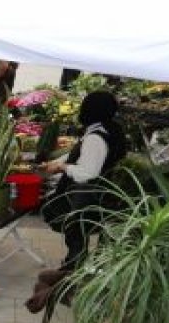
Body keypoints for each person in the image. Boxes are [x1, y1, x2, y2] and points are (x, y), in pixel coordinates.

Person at [39, 91, 128, 271]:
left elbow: (87, 172)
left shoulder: (95, 138)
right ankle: (75, 263)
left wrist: (62, 168)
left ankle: (74, 267)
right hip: (99, 193)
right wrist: (58, 162)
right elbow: (85, 157)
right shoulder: (110, 129)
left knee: (75, 230)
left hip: (85, 196)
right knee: (77, 230)